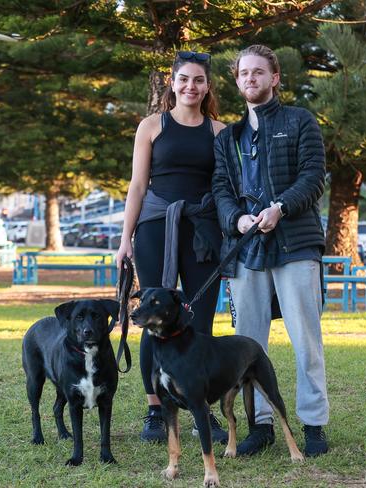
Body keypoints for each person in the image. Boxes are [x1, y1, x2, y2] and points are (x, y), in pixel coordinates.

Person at [212, 44, 329, 457]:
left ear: (275, 78)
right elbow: (221, 189)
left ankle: (313, 424)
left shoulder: (300, 121)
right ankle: (260, 425)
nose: (250, 79)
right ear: (237, 79)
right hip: (246, 250)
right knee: (247, 345)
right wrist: (237, 221)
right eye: (244, 73)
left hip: (295, 244)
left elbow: (314, 177)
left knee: (305, 339)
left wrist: (280, 208)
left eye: (258, 73)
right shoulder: (228, 137)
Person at [116, 50, 227, 444]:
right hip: (153, 227)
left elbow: (225, 188)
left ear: (207, 86)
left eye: (198, 80)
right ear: (173, 83)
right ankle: (155, 409)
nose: (190, 86)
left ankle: (202, 406)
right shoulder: (151, 126)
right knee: (151, 319)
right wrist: (125, 239)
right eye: (184, 79)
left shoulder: (219, 131)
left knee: (200, 322)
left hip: (201, 231)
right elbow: (138, 186)